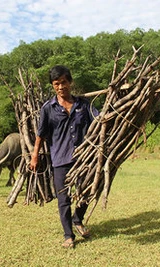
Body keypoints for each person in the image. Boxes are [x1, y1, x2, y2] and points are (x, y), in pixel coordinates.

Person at [30, 65, 99, 248]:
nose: (61, 87)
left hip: (84, 158)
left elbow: (100, 121)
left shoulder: (84, 105)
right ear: (53, 86)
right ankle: (68, 235)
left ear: (70, 82)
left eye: (64, 82)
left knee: (87, 191)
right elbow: (41, 134)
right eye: (56, 84)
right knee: (64, 199)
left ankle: (78, 218)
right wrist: (34, 155)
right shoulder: (48, 108)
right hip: (60, 159)